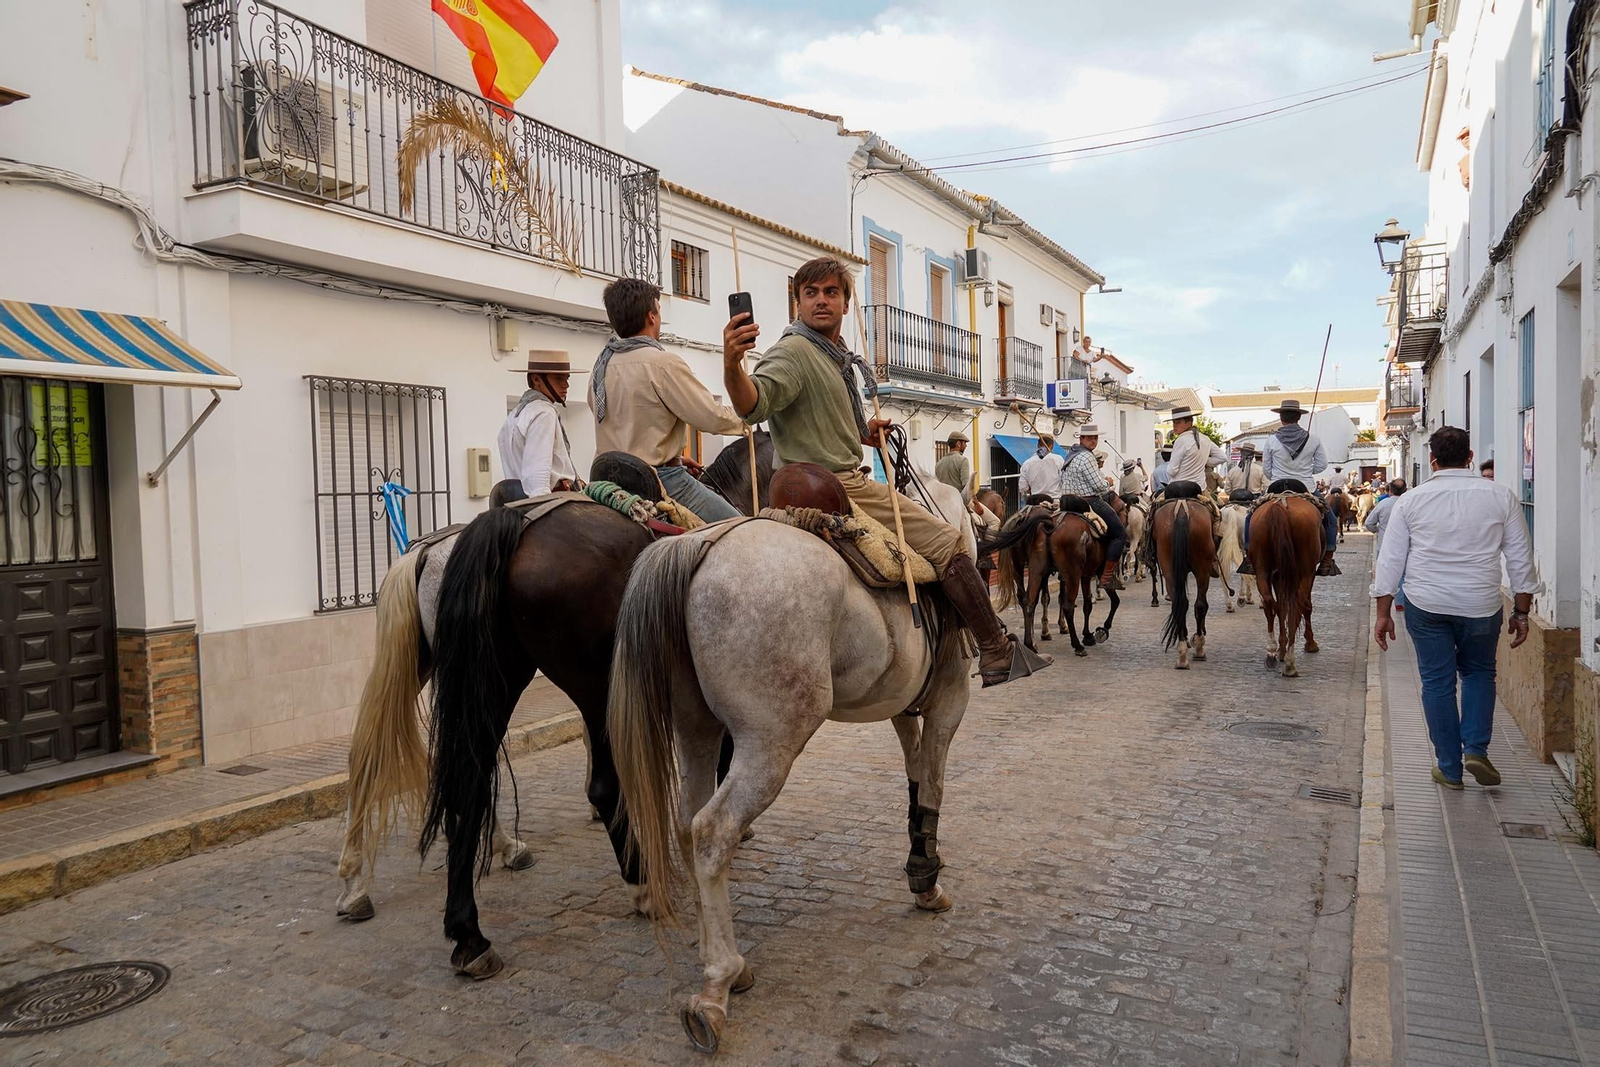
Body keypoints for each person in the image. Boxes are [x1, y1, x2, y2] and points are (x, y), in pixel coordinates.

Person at [722, 254, 1047, 685]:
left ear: (844, 302)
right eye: (811, 293)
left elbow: (814, 420)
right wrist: (731, 364)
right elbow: (754, 403)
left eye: (831, 293)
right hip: (840, 485)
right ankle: (995, 650)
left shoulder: (831, 357)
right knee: (950, 543)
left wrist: (863, 432)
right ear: (797, 303)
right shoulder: (795, 351)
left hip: (798, 484)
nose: (821, 301)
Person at [1372, 427, 1539, 790]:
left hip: (1426, 602)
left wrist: (1383, 613)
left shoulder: (1411, 501)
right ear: (1471, 457)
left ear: (1432, 460)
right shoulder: (1501, 497)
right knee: (1480, 674)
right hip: (1481, 603)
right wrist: (1522, 611)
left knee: (1437, 681)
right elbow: (1520, 559)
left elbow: (1390, 561)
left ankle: (1449, 768)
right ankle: (1476, 749)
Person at [588, 278, 747, 522]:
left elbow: (622, 427)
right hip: (660, 482)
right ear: (651, 317)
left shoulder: (600, 366)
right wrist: (748, 418)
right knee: (741, 530)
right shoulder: (663, 364)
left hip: (608, 483)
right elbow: (709, 416)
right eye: (659, 312)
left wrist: (676, 456)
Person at [1257, 398, 1339, 576]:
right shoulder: (1313, 439)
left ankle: (1250, 556)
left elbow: (1266, 469)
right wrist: (1306, 471)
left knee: (1250, 517)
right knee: (1331, 520)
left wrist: (1278, 476)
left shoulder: (1271, 440)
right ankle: (1327, 560)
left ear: (1281, 418)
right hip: (1306, 487)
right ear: (1298, 417)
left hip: (1276, 487)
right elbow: (1322, 465)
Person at [500, 351, 584, 497]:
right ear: (537, 379)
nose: (566, 384)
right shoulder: (544, 412)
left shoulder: (514, 415)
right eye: (559, 378)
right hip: (550, 499)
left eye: (567, 378)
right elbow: (537, 477)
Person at [1059, 423, 1128, 590]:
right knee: (1120, 534)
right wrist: (1108, 482)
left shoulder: (1071, 455)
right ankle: (1106, 576)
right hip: (1089, 501)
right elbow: (1098, 486)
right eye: (1089, 438)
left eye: (1095, 438)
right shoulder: (1088, 457)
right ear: (1081, 439)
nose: (1093, 441)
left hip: (1066, 502)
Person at [1364, 478, 1408, 607]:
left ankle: (1389, 603)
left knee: (1386, 574)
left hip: (1385, 544)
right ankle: (1403, 602)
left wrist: (1378, 530)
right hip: (1406, 544)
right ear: (1405, 490)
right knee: (1405, 574)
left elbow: (1368, 523)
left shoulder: (1383, 504)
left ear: (1389, 491)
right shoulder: (1409, 502)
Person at [1018, 432, 1065, 501]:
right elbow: (1064, 480)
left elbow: (1023, 487)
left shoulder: (1027, 463)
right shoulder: (1058, 460)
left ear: (1038, 445)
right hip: (1054, 501)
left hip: (1035, 501)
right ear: (1052, 446)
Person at [934, 431, 975, 503]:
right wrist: (976, 503)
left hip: (942, 502)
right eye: (964, 443)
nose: (966, 446)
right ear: (958, 444)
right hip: (957, 502)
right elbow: (966, 487)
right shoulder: (963, 460)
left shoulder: (938, 464)